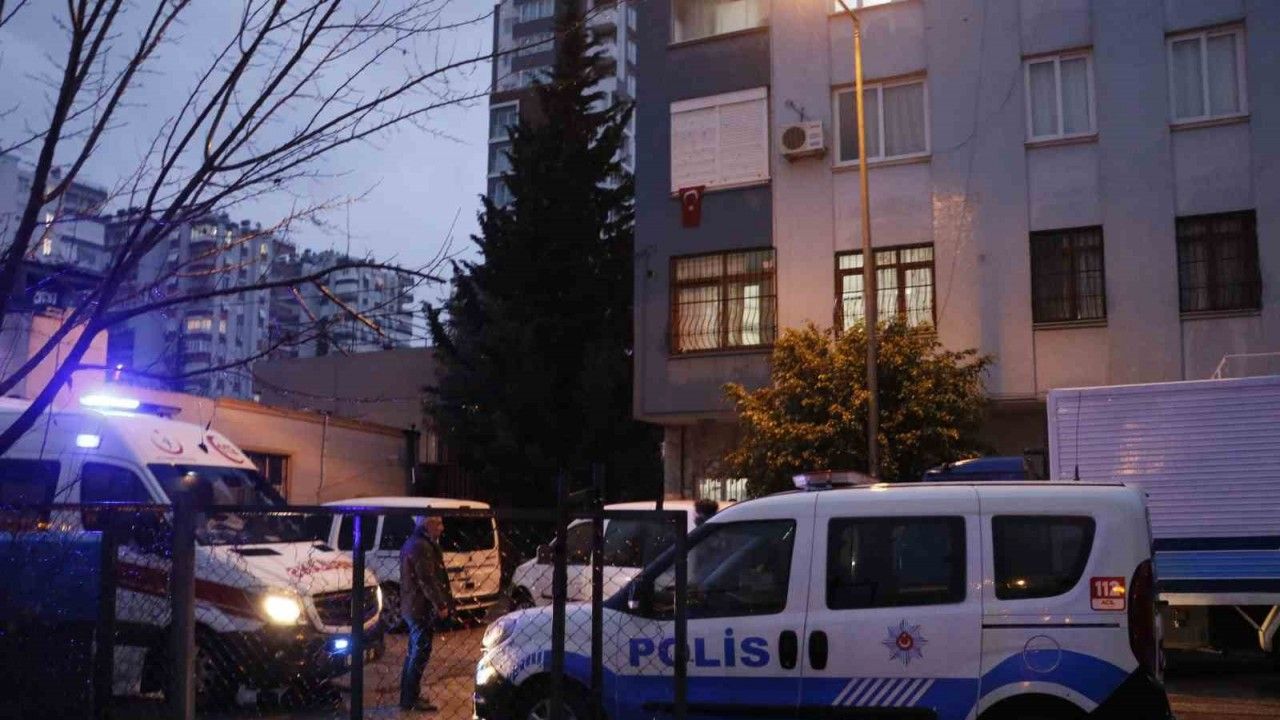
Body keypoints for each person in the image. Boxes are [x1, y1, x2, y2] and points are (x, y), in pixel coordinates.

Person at [399, 515, 454, 712]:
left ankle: (408, 696)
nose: (442, 527)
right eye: (438, 523)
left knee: (415, 651)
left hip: (414, 606)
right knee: (419, 652)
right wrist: (440, 604)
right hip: (419, 608)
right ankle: (410, 698)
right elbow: (427, 579)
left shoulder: (416, 543)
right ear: (426, 524)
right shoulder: (421, 546)